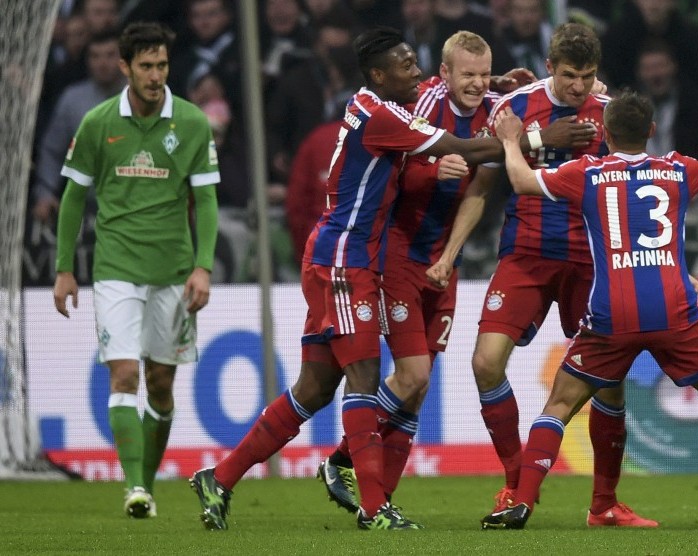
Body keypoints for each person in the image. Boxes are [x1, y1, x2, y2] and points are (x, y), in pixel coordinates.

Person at [188, 25, 569, 532]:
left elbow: (454, 97)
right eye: (406, 66)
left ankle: (222, 476)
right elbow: (459, 144)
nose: (414, 72)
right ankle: (373, 505)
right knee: (371, 380)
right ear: (378, 75)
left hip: (353, 257)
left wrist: (490, 81)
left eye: (417, 64)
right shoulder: (384, 115)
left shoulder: (381, 104)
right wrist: (539, 139)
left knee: (316, 387)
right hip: (351, 260)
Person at [481, 90, 698, 530]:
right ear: (651, 131)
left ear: (607, 134)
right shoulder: (677, 169)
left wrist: (509, 140)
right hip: (674, 313)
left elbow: (521, 181)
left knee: (558, 405)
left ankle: (521, 502)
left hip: (611, 316)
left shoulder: (587, 173)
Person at [428, 22, 657, 527]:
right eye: (571, 75)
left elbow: (639, 190)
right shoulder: (516, 108)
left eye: (588, 76)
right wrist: (449, 253)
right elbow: (484, 186)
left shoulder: (608, 114)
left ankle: (604, 504)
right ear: (551, 67)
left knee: (611, 382)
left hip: (592, 264)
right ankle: (515, 484)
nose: (579, 87)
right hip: (526, 256)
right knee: (486, 363)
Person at [316, 30, 520, 513]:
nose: (477, 84)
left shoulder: (495, 107)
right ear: (444, 73)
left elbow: (481, 188)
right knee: (412, 374)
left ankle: (381, 499)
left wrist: (450, 256)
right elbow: (392, 170)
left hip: (442, 265)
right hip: (398, 255)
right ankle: (344, 458)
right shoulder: (420, 102)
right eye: (466, 74)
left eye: (483, 74)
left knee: (420, 386)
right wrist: (433, 168)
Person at [53, 22, 220, 519]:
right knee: (124, 372)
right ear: (125, 67)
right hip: (116, 267)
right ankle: (134, 487)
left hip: (172, 270)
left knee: (161, 383)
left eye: (162, 65)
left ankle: (145, 480)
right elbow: (72, 198)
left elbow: (206, 200)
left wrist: (203, 267)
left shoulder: (191, 123)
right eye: (145, 66)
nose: (155, 75)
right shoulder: (98, 121)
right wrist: (64, 269)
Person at [32, 30, 126, 225]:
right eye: (95, 56)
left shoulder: (147, 97)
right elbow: (52, 151)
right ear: (87, 60)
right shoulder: (72, 99)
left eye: (110, 55)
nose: (102, 64)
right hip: (87, 209)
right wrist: (45, 193)